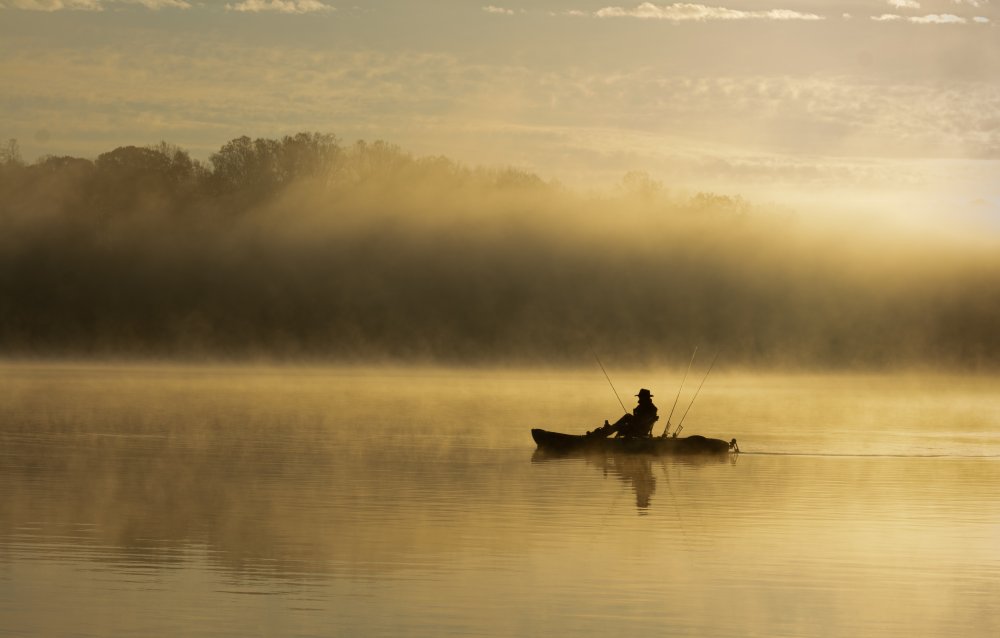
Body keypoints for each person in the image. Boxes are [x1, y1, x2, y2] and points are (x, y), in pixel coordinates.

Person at [587, 388, 659, 438]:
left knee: (619, 425)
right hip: (635, 427)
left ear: (645, 398)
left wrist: (630, 424)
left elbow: (642, 421)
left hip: (639, 430)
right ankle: (606, 430)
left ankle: (601, 434)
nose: (639, 398)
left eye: (641, 397)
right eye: (639, 397)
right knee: (627, 416)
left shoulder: (651, 408)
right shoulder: (642, 406)